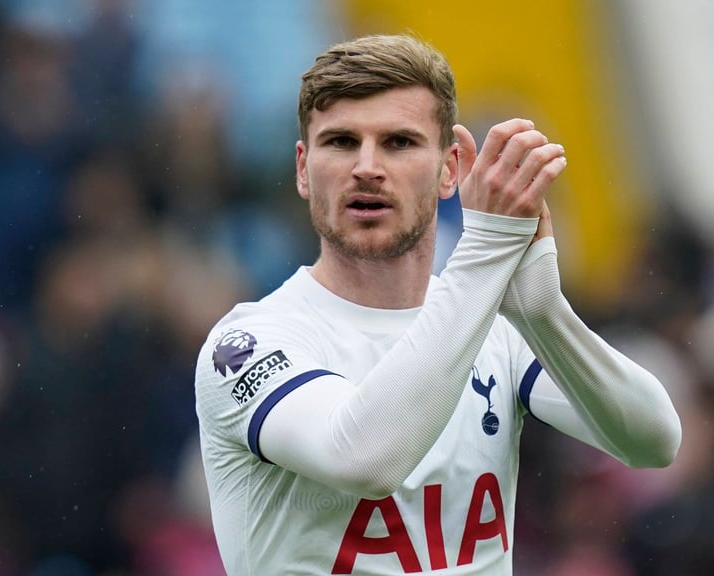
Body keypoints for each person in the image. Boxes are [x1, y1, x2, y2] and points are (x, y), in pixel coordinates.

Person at [194, 33, 682, 575]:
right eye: (341, 142)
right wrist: (485, 252)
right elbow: (364, 459)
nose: (367, 167)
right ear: (304, 169)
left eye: (400, 142)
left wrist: (543, 314)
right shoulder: (249, 343)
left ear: (452, 168)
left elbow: (653, 439)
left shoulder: (496, 327)